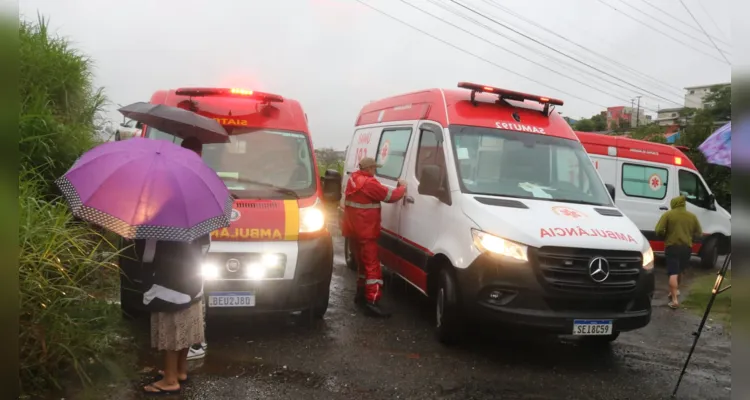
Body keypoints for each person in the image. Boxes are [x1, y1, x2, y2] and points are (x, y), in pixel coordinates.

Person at [141, 235, 209, 394]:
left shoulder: (158, 224)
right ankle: (180, 370)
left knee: (172, 333)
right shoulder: (197, 220)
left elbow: (148, 256)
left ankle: (170, 380)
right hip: (193, 284)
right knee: (185, 329)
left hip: (169, 286)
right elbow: (205, 248)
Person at [341, 157, 407, 317]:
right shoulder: (369, 183)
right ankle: (372, 301)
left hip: (353, 230)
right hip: (366, 231)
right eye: (374, 168)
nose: (375, 171)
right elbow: (390, 196)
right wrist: (403, 187)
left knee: (362, 265)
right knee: (372, 267)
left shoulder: (353, 179)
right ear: (369, 168)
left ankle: (360, 294)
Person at [180, 136, 208, 361]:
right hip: (197, 244)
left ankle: (194, 344)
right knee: (195, 294)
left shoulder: (180, 175)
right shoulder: (201, 175)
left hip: (183, 246)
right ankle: (194, 343)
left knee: (188, 296)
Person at [655, 195, 702, 310]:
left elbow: (659, 230)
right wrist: (691, 239)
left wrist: (665, 236)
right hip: (686, 248)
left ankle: (675, 300)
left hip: (672, 247)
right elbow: (699, 233)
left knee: (673, 273)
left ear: (674, 204)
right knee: (680, 270)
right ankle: (674, 291)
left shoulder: (668, 215)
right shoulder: (692, 217)